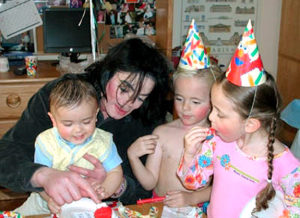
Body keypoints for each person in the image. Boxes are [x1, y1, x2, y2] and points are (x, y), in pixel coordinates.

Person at [0, 37, 172, 206]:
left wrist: (116, 184)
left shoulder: (147, 118)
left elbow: (146, 192)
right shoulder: (62, 96)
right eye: (124, 89)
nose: (128, 103)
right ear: (108, 71)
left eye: (140, 97)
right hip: (48, 202)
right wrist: (42, 175)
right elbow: (5, 156)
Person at [177, 20, 300, 217]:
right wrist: (190, 154)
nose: (210, 117)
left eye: (220, 113)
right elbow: (193, 183)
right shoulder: (216, 142)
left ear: (250, 124)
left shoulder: (287, 167)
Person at [128, 19, 218, 208]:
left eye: (195, 102)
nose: (185, 108)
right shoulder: (162, 133)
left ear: (212, 102)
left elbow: (221, 185)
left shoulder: (217, 138)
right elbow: (150, 182)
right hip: (160, 208)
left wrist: (191, 198)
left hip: (196, 209)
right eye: (179, 98)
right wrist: (133, 156)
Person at [14, 75, 123, 215]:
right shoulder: (46, 142)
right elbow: (40, 180)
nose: (78, 130)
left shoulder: (103, 141)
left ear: (95, 114)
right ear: (53, 120)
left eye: (86, 122)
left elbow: (115, 172)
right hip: (44, 202)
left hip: (87, 202)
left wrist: (103, 191)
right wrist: (49, 199)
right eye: (68, 124)